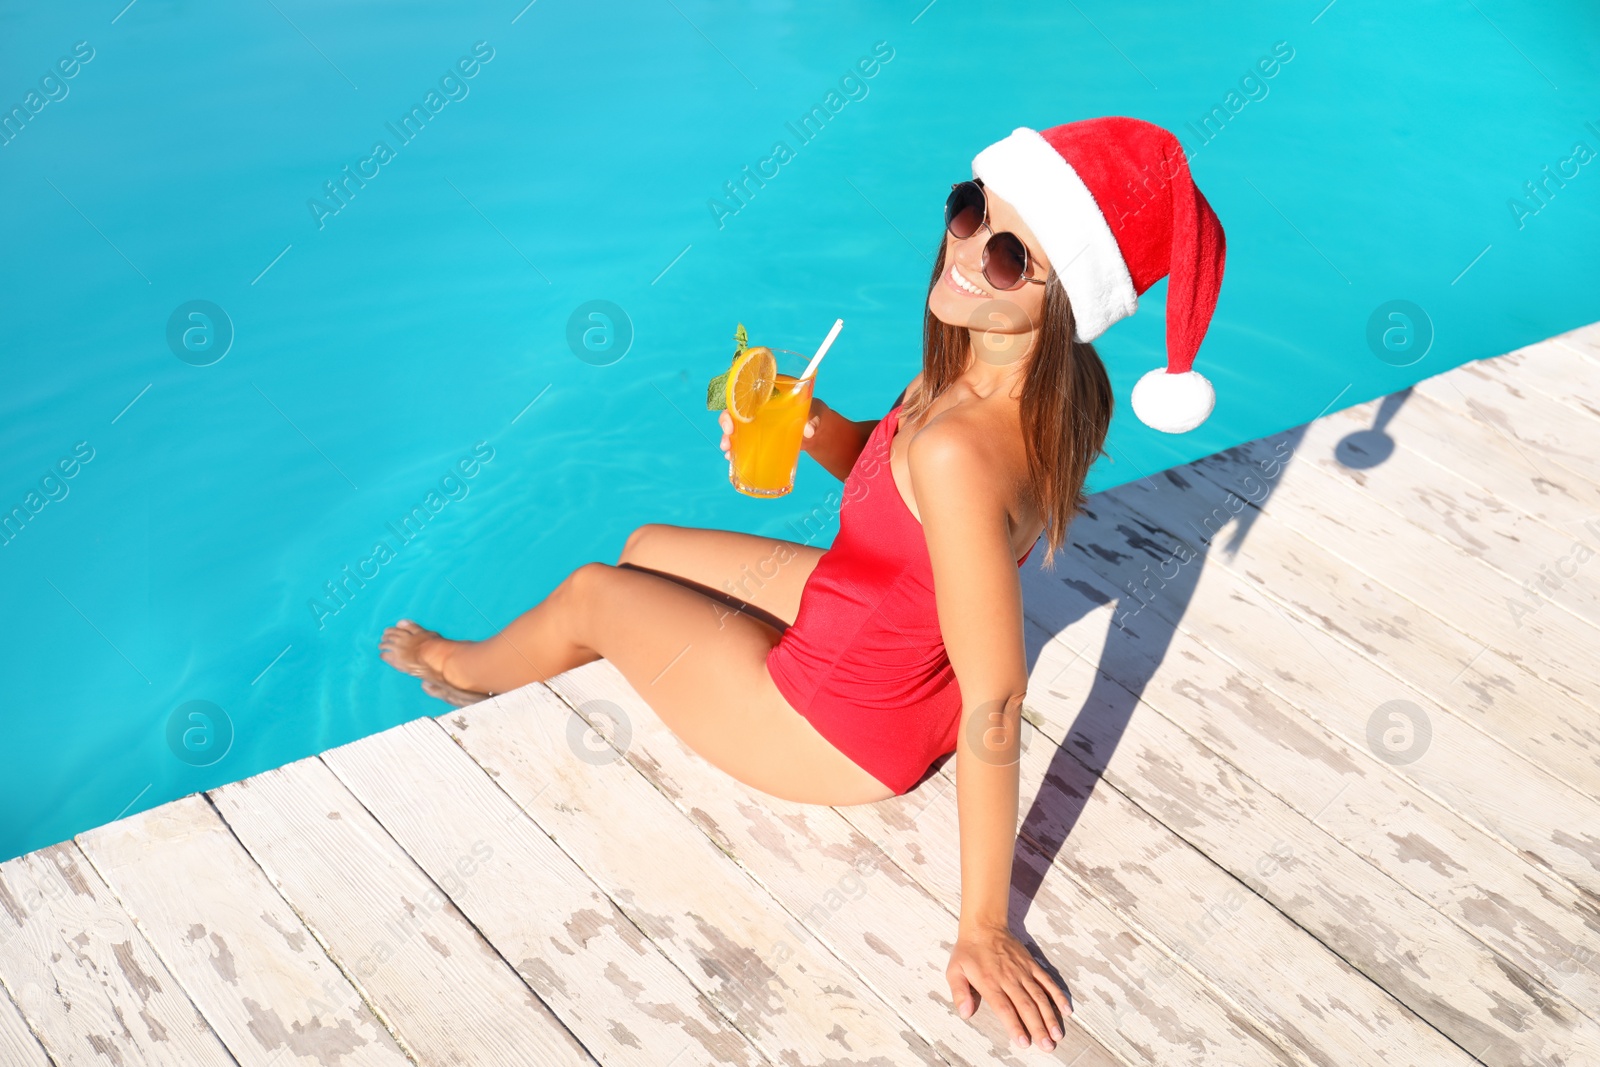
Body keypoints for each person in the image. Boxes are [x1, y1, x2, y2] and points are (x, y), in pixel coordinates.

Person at [381, 116, 1227, 1054]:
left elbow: (998, 690)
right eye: (968, 210)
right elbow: (897, 482)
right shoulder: (1019, 376)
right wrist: (809, 422)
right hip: (887, 637)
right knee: (645, 543)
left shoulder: (959, 445)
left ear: (1064, 297)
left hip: (835, 723)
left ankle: (465, 672)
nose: (962, 250)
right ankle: (542, 646)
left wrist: (983, 924)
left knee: (595, 591)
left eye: (1006, 258)